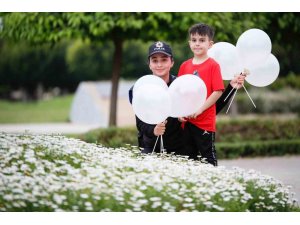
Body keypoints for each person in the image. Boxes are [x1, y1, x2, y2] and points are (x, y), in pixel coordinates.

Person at [129, 40, 245, 156]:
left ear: (172, 62)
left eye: (164, 60)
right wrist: (154, 130)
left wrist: (231, 88)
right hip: (151, 147)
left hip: (180, 149)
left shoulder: (182, 86)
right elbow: (140, 122)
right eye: (155, 60)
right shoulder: (140, 88)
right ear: (149, 64)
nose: (159, 64)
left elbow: (209, 110)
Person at [177, 23, 225, 166]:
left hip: (204, 122)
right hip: (187, 122)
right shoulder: (184, 66)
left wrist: (200, 109)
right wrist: (179, 112)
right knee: (188, 158)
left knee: (207, 157)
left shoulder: (213, 65)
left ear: (210, 44)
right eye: (194, 40)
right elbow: (179, 92)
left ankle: (214, 184)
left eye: (202, 40)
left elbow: (217, 91)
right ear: (189, 43)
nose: (197, 44)